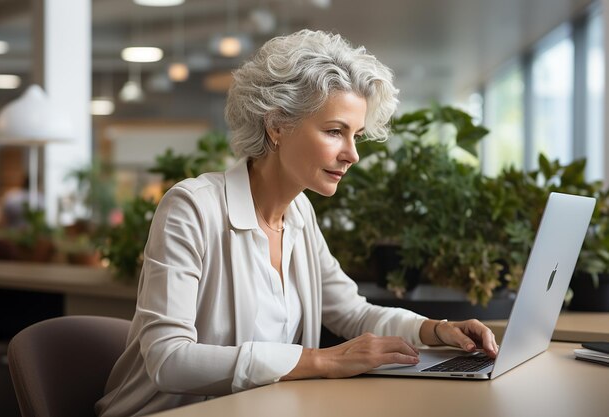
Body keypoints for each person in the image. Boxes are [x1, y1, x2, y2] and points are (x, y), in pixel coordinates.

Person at [96, 29, 499, 417]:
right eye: (335, 132)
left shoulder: (299, 213)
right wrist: (319, 361)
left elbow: (352, 313)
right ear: (277, 126)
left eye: (356, 135)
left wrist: (436, 329)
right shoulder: (191, 208)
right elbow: (170, 360)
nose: (352, 154)